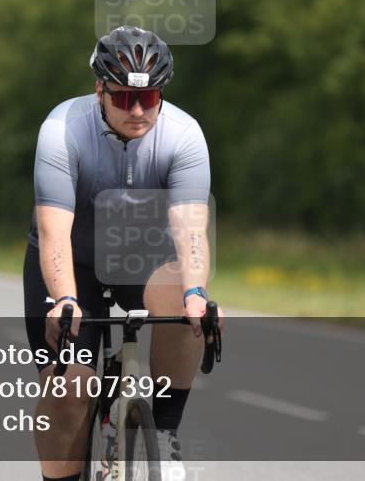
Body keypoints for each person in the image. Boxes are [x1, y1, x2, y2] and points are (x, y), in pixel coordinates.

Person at [23, 25, 223, 481]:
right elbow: (55, 233)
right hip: (71, 263)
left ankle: (166, 435)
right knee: (71, 393)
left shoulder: (184, 135)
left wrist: (196, 292)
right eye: (123, 98)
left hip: (142, 260)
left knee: (182, 291)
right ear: (100, 90)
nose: (136, 110)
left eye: (149, 99)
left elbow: (190, 228)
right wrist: (65, 300)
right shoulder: (61, 130)